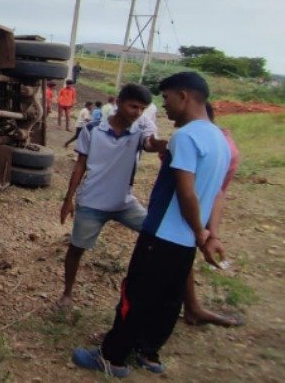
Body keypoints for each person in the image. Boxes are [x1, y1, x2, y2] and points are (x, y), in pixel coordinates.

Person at [73, 71, 230, 377]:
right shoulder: (219, 139)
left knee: (137, 294)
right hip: (185, 242)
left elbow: (186, 192)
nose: (164, 107)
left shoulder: (185, 137)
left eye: (167, 98)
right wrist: (209, 235)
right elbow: (214, 192)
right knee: (169, 299)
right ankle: (149, 353)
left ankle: (113, 358)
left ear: (183, 96)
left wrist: (200, 231)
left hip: (162, 234)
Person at [58, 84, 162, 310]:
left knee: (157, 234)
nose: (137, 112)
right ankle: (67, 292)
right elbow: (80, 166)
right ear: (118, 102)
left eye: (142, 108)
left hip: (124, 202)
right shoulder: (92, 129)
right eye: (133, 106)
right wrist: (68, 200)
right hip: (91, 203)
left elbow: (149, 143)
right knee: (76, 249)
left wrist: (162, 144)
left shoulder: (140, 127)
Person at [183, 102, 243, 327]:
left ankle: (192, 308)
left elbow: (211, 191)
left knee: (180, 254)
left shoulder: (198, 142)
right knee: (183, 256)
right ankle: (191, 307)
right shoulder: (222, 142)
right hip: (201, 208)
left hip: (195, 209)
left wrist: (205, 231)